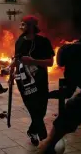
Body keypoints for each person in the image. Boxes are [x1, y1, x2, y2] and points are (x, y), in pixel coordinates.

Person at [13, 15, 55, 146]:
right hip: (24, 83)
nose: (22, 26)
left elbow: (50, 62)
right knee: (33, 109)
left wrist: (33, 61)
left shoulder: (43, 41)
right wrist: (11, 73)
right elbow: (16, 60)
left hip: (41, 81)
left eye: (25, 24)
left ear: (31, 26)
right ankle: (43, 136)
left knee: (41, 110)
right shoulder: (19, 41)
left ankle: (32, 131)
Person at [48, 32, 81, 99]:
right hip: (75, 75)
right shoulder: (79, 48)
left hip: (71, 74)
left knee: (68, 93)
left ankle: (46, 96)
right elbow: (80, 64)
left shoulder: (76, 46)